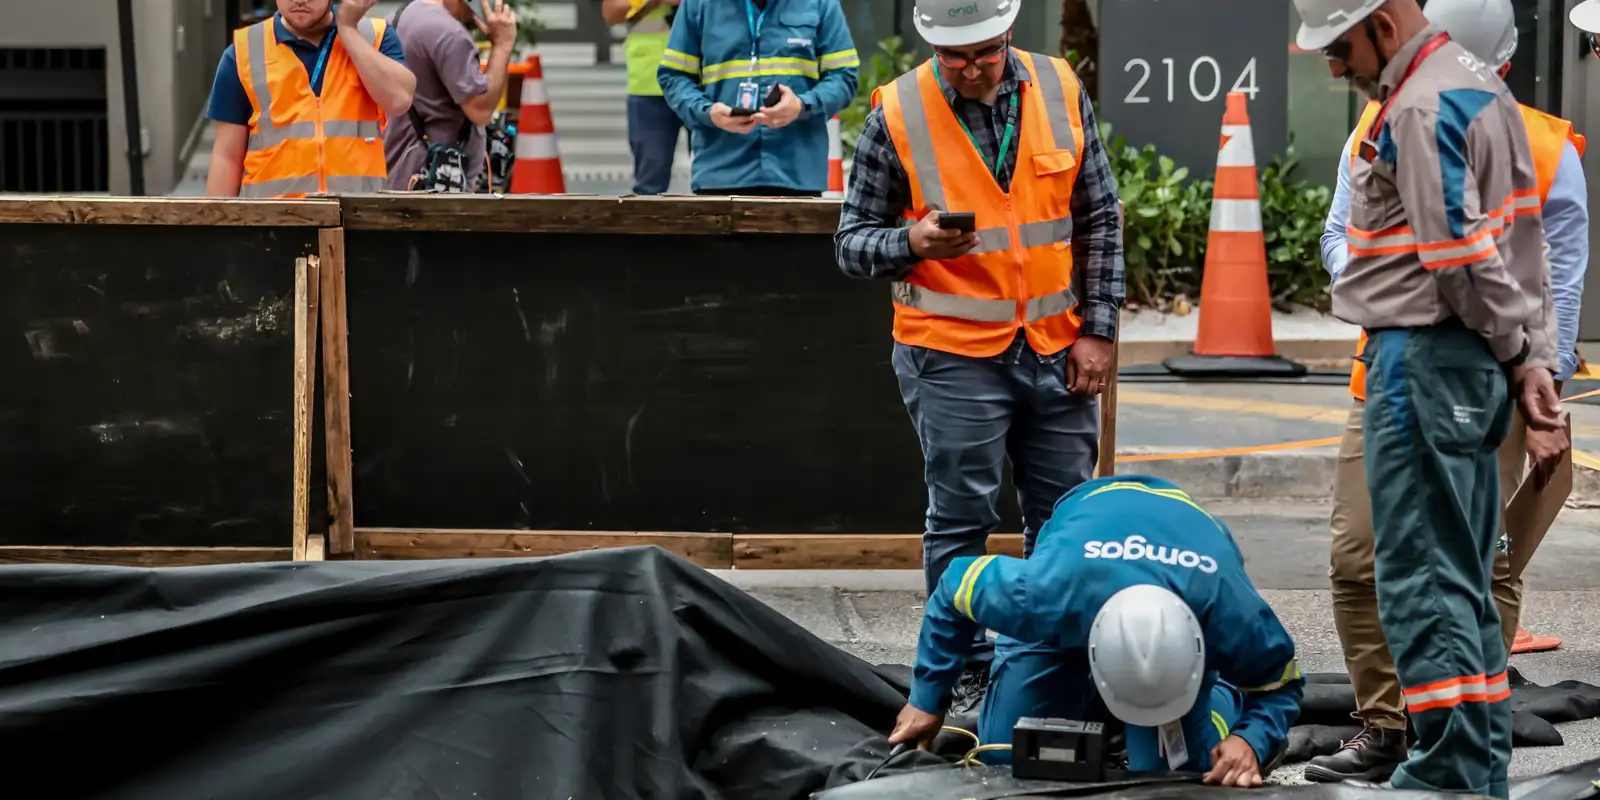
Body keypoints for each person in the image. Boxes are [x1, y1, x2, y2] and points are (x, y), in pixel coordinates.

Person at [1291, 0, 1568, 795]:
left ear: (1382, 22)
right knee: (1463, 577)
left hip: (1425, 360)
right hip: (1467, 367)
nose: (1334, 67)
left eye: (1339, 46)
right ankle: (1474, 766)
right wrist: (1529, 366)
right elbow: (1527, 248)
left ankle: (1447, 771)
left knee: (1419, 579)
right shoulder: (1482, 87)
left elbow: (1460, 257)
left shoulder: (1418, 104)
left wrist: (1519, 355)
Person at [833, 0, 1123, 712]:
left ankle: (1054, 663)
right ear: (934, 46)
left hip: (1056, 348)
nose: (970, 68)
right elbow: (850, 242)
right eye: (955, 57)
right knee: (961, 517)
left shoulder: (1059, 87)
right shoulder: (897, 112)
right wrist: (911, 243)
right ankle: (960, 669)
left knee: (1063, 519)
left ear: (1008, 37)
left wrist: (1100, 331)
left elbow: (1099, 214)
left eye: (984, 54)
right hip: (952, 353)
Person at [887, 475, 1302, 788]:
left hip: (1183, 536)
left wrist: (1252, 739)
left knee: (1179, 778)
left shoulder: (1229, 612)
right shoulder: (1047, 594)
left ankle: (1220, 691)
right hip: (1086, 529)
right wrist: (928, 698)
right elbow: (954, 587)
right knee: (1007, 759)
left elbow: (1281, 685)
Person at [206, 0, 417, 198]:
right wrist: (213, 229)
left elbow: (399, 100)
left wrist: (349, 30)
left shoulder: (374, 37)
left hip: (358, 219)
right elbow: (227, 158)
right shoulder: (244, 52)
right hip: (274, 223)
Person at [655, 0, 859, 196]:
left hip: (796, 172)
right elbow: (674, 76)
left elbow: (844, 76)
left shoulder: (820, 3)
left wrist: (802, 105)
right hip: (720, 170)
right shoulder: (699, 4)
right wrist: (707, 112)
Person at [383, 0, 518, 192]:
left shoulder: (395, 19)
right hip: (434, 192)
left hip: (396, 177)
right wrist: (503, 45)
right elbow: (481, 109)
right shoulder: (449, 33)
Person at [603, 0, 685, 195]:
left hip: (704, 81)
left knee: (713, 180)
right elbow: (611, 12)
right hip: (649, 81)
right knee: (649, 183)